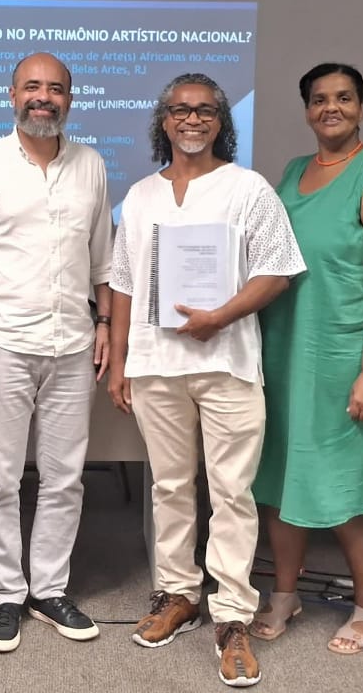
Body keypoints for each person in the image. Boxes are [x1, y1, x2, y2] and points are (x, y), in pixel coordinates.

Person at [108, 73, 304, 689]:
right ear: (163, 120)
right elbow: (122, 283)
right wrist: (120, 360)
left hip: (228, 362)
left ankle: (233, 615)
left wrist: (221, 315)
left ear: (221, 121)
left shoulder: (248, 188)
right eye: (180, 109)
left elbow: (278, 270)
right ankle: (177, 593)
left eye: (205, 110)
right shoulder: (140, 195)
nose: (192, 119)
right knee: (168, 486)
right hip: (154, 364)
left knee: (231, 493)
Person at [0, 52, 113, 653]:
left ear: (70, 99)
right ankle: (6, 595)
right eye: (32, 87)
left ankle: (50, 589)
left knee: (65, 478)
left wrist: (106, 323)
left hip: (73, 344)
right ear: (12, 95)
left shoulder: (91, 165)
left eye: (56, 88)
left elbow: (102, 260)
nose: (44, 97)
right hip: (1, 343)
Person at [250, 63, 363, 653]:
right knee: (280, 473)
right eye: (320, 99)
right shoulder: (293, 172)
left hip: (347, 352)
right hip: (285, 348)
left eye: (344, 98)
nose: (332, 108)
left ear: (362, 108)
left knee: (352, 480)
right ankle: (284, 594)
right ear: (306, 111)